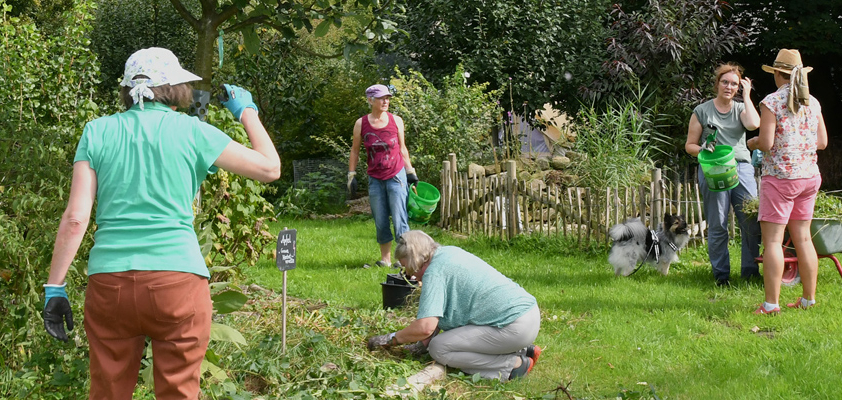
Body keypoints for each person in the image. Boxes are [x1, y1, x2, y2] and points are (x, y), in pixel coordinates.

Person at [41, 47, 281, 399]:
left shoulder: (97, 131)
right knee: (179, 391)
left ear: (127, 90)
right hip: (177, 281)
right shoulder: (194, 132)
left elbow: (76, 219)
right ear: (176, 87)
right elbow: (270, 168)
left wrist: (54, 288)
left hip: (110, 283)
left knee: (107, 390)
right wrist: (247, 112)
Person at [366, 230, 541, 381]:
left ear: (415, 261)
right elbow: (439, 314)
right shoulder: (448, 253)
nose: (410, 276)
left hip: (513, 327)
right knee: (447, 340)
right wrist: (420, 346)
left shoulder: (435, 273)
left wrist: (390, 339)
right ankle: (523, 350)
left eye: (407, 268)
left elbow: (425, 327)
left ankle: (513, 366)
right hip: (528, 315)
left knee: (440, 348)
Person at [747, 49, 827, 314]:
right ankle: (807, 300)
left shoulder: (772, 102)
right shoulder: (812, 102)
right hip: (809, 177)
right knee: (803, 239)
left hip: (781, 178)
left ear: (777, 74)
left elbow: (767, 143)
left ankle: (771, 304)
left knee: (772, 242)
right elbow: (822, 142)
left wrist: (754, 142)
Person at [685, 62, 762, 286]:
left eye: (734, 84)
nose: (729, 87)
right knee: (718, 223)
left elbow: (754, 123)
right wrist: (702, 149)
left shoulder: (740, 109)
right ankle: (721, 275)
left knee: (750, 222)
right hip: (713, 169)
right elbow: (689, 145)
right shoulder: (702, 111)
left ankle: (750, 272)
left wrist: (747, 95)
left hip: (741, 168)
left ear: (738, 88)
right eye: (725, 82)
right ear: (717, 83)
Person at [348, 84, 418, 268]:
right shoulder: (360, 123)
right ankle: (385, 260)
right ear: (370, 100)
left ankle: (403, 260)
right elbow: (355, 151)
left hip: (396, 176)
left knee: (399, 217)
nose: (386, 101)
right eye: (381, 98)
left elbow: (402, 148)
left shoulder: (396, 121)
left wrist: (410, 172)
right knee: (380, 219)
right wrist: (351, 174)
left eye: (387, 98)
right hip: (375, 179)